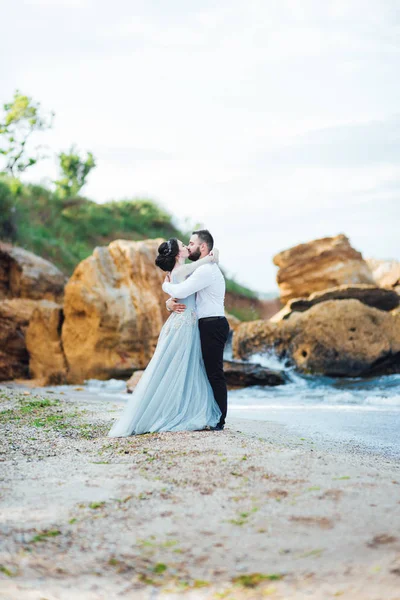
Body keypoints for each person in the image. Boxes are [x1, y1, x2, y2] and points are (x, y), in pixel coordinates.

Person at [108, 238, 221, 437]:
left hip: (182, 322)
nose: (187, 246)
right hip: (184, 324)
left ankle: (177, 407)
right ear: (178, 254)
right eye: (183, 245)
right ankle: (178, 410)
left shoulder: (177, 272)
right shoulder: (179, 271)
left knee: (179, 367)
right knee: (180, 367)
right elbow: (200, 265)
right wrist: (212, 257)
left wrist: (167, 296)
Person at [163, 230, 229, 430]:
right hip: (207, 323)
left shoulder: (206, 270)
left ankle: (219, 419)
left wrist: (165, 287)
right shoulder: (201, 268)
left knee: (214, 373)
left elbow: (182, 291)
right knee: (206, 371)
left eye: (191, 243)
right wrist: (168, 303)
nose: (188, 246)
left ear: (202, 247)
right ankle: (208, 414)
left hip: (213, 323)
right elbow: (185, 293)